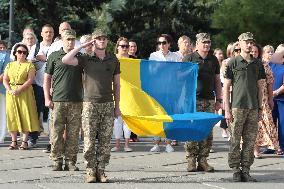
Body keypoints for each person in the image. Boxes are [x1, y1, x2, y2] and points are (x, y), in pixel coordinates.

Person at [62, 28, 121, 183]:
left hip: (108, 104)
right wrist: (82, 46)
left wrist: (117, 107)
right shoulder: (85, 58)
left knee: (105, 140)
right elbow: (66, 60)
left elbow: (117, 84)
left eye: (104, 38)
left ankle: (101, 171)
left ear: (107, 41)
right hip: (89, 104)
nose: (102, 40)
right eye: (98, 38)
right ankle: (90, 171)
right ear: (94, 41)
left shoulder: (113, 59)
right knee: (88, 140)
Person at [223, 32, 266, 182]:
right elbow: (226, 87)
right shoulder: (232, 62)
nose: (249, 44)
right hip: (237, 107)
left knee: (250, 140)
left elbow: (261, 88)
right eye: (246, 42)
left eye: (250, 42)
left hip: (253, 107)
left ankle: (246, 170)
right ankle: (236, 170)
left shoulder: (258, 63)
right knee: (235, 140)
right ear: (239, 43)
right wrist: (226, 110)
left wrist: (260, 108)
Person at [43, 29, 83, 171]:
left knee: (73, 133)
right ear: (62, 40)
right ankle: (57, 160)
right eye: (68, 39)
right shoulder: (54, 56)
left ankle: (71, 162)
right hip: (58, 100)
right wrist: (47, 98)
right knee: (56, 133)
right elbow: (47, 79)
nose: (70, 42)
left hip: (76, 101)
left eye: (73, 39)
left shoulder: (80, 56)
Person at [183, 33, 222, 172]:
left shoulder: (213, 60)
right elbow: (181, 79)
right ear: (197, 44)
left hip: (209, 100)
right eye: (204, 42)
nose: (207, 44)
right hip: (193, 101)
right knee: (192, 130)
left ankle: (203, 160)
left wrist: (219, 100)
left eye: (209, 42)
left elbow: (217, 81)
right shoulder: (189, 58)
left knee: (207, 131)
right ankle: (191, 160)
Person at [3, 43, 39, 150]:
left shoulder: (29, 65)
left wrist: (19, 89)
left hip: (25, 92)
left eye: (24, 52)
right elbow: (5, 79)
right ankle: (13, 141)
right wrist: (9, 90)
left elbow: (30, 80)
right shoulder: (9, 65)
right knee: (12, 116)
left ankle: (24, 141)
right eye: (19, 52)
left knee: (25, 115)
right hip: (11, 93)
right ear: (15, 53)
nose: (22, 54)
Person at [149, 34, 179, 153]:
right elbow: (151, 71)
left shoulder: (175, 56)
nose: (161, 45)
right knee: (157, 116)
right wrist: (161, 68)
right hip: (157, 90)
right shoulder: (153, 55)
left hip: (171, 90)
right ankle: (156, 143)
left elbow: (178, 72)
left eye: (164, 42)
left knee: (169, 116)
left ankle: (168, 143)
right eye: (159, 43)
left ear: (169, 44)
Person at [254, 45, 282, 158]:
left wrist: (270, 98)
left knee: (264, 124)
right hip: (249, 99)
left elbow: (270, 83)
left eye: (256, 52)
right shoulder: (245, 64)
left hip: (263, 99)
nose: (254, 53)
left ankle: (262, 147)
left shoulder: (264, 65)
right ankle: (254, 149)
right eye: (252, 51)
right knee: (253, 124)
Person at [111, 37, 133, 152]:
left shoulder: (133, 60)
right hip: (116, 91)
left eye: (127, 46)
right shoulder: (113, 59)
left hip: (130, 93)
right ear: (117, 47)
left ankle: (127, 145)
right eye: (122, 46)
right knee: (117, 119)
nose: (125, 48)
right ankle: (117, 144)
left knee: (127, 120)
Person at [269, 44, 284, 155]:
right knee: (271, 122)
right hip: (272, 99)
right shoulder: (270, 65)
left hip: (281, 99)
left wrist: (276, 92)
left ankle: (282, 146)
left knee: (282, 123)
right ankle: (272, 146)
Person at [213, 48, 228, 138]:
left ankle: (224, 128)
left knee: (223, 105)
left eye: (221, 53)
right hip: (213, 86)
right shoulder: (213, 64)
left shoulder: (224, 64)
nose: (221, 55)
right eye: (219, 54)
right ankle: (215, 119)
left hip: (222, 86)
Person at [0, 40, 10, 143]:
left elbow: (5, 71)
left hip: (1, 89)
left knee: (2, 113)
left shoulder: (5, 55)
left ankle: (1, 136)